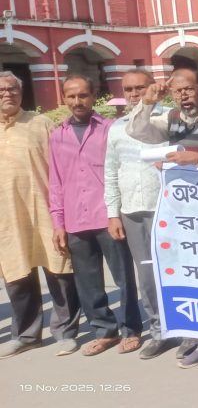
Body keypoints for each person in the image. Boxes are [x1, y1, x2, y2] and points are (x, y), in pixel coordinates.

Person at [127, 66, 198, 368]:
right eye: (177, 91)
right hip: (185, 215)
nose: (183, 96)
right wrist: (148, 102)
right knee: (196, 276)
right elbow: (137, 131)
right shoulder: (171, 119)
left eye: (189, 89)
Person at [50, 74, 142, 356]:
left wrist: (117, 213)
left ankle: (131, 329)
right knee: (88, 282)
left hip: (107, 216)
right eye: (71, 96)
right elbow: (55, 182)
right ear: (64, 98)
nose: (77, 101)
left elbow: (121, 171)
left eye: (83, 95)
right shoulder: (57, 135)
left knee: (123, 277)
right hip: (75, 218)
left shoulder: (110, 129)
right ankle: (105, 331)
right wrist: (58, 223)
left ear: (93, 97)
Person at [0, 71, 81, 359]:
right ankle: (26, 336)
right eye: (1, 90)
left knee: (59, 272)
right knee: (16, 275)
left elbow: (63, 170)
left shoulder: (41, 124)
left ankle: (65, 333)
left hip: (46, 212)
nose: (7, 94)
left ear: (21, 92)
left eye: (12, 89)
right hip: (7, 219)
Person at [104, 68, 176, 360]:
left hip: (168, 208)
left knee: (176, 270)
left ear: (153, 87)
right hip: (133, 211)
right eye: (129, 89)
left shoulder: (170, 118)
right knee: (147, 276)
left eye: (140, 88)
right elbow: (111, 171)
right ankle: (159, 331)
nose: (134, 94)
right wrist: (113, 214)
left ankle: (187, 329)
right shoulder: (117, 127)